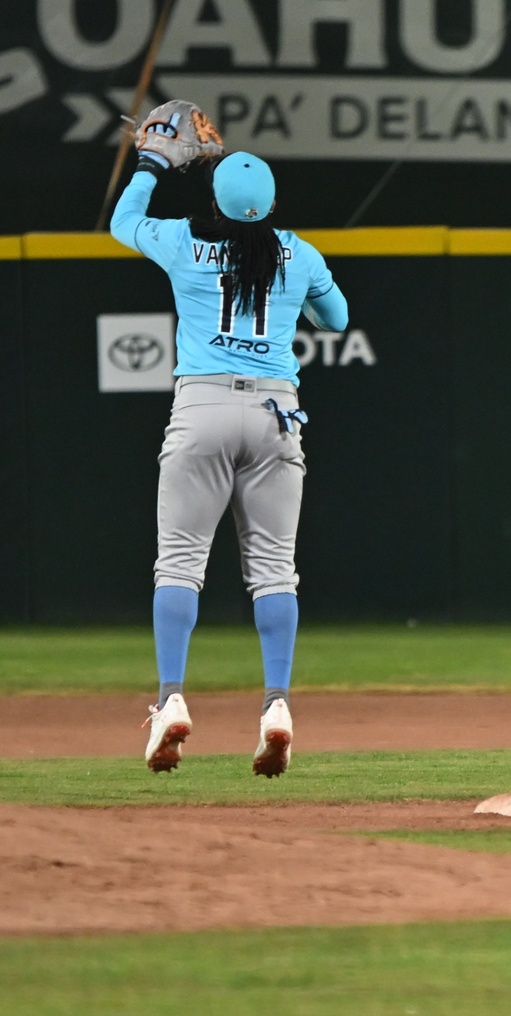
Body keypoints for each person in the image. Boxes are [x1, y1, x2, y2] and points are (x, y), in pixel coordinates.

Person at [110, 137, 349, 777]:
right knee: (274, 571)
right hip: (275, 413)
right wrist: (301, 285)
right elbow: (336, 318)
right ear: (269, 204)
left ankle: (170, 700)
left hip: (203, 408)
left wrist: (153, 163)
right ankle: (276, 707)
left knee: (180, 563)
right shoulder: (296, 251)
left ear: (213, 198)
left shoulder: (184, 241)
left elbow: (122, 223)